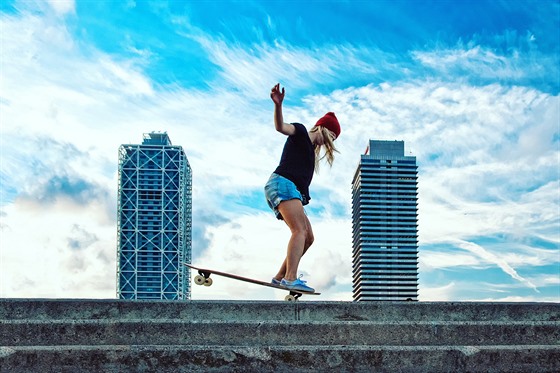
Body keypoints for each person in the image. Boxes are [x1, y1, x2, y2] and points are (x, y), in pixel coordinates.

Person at [265, 83, 340, 292]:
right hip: (282, 183)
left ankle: (280, 277)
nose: (331, 142)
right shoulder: (299, 132)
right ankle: (290, 278)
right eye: (332, 136)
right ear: (323, 128)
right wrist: (278, 105)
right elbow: (281, 127)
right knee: (299, 230)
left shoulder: (310, 151)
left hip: (289, 189)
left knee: (308, 237)